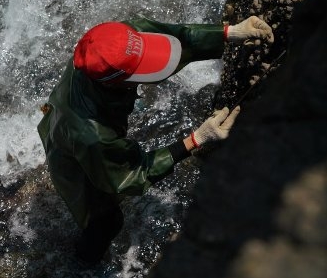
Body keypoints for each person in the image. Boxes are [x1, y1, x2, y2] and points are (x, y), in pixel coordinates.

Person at [37, 15, 274, 264]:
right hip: (69, 147)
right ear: (117, 84)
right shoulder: (92, 136)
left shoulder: (116, 40)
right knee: (105, 220)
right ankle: (81, 265)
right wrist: (197, 139)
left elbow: (178, 37)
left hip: (73, 114)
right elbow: (133, 175)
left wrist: (229, 32)